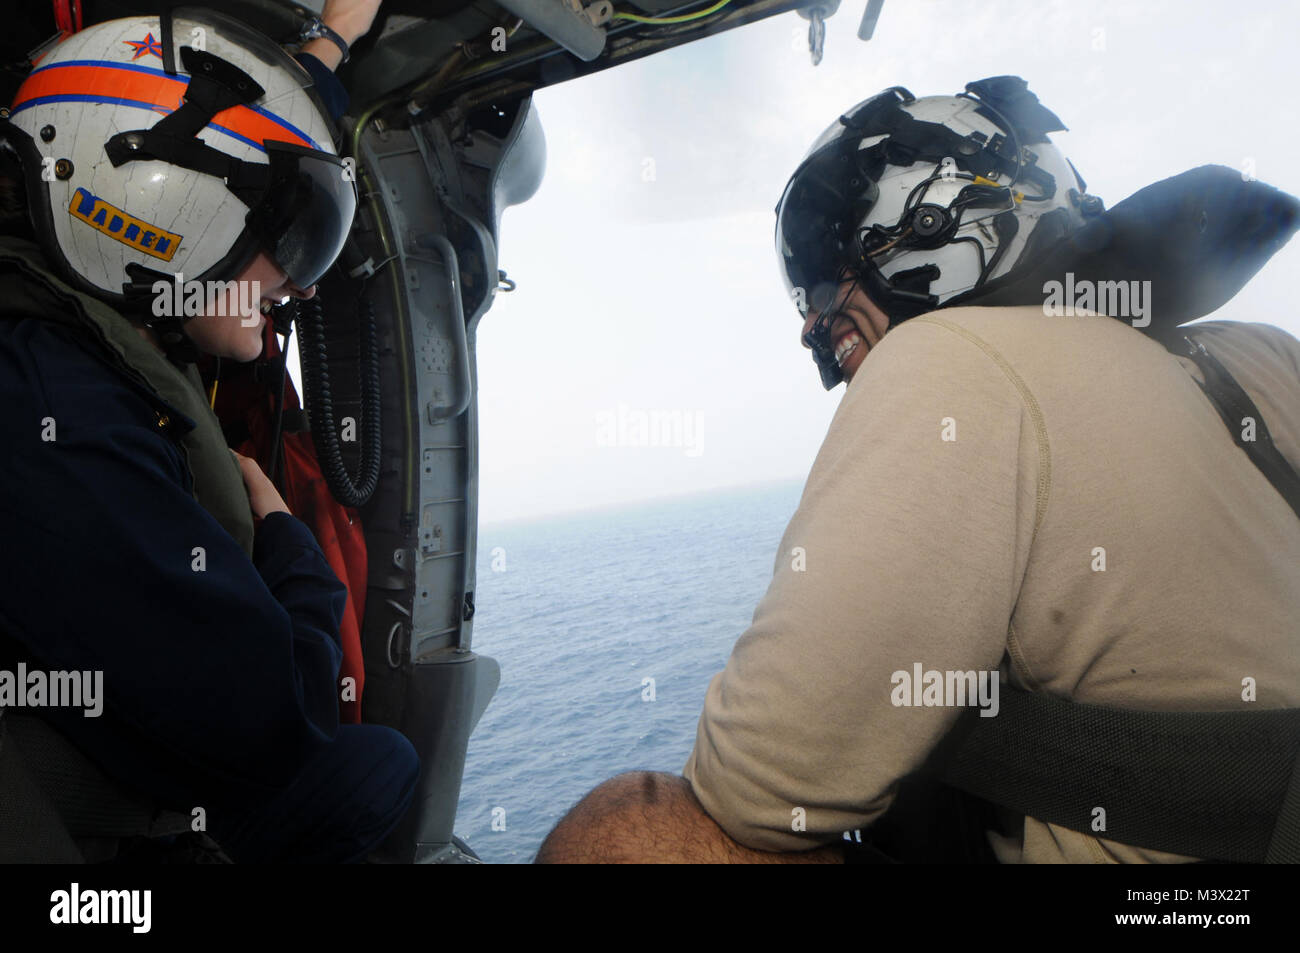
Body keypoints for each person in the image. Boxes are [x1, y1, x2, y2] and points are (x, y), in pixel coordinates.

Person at [536, 77, 1300, 863]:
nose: (811, 318)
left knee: (623, 829)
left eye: (832, 271)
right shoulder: (1262, 353)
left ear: (935, 215)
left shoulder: (949, 360)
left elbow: (766, 787)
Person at [0, 4, 417, 863]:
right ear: (164, 222)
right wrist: (286, 546)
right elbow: (276, 719)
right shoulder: (58, 413)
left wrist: (331, 43)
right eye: (282, 238)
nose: (299, 286)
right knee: (379, 766)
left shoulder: (73, 340)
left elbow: (206, 137)